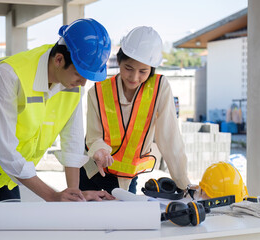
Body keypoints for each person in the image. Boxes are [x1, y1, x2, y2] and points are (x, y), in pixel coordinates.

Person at [0, 18, 114, 204]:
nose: (83, 83)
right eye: (79, 74)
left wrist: (75, 195)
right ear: (59, 59)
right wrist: (53, 196)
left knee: (10, 232)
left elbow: (73, 141)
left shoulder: (72, 85)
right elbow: (7, 153)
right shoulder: (8, 76)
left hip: (6, 179)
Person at [75, 26, 192, 194]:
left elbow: (169, 136)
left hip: (125, 177)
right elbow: (94, 136)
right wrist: (100, 151)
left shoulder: (160, 88)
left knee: (123, 220)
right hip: (92, 170)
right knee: (87, 218)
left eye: (143, 71)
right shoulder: (98, 91)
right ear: (119, 62)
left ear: (152, 69)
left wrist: (183, 182)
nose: (134, 77)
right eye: (128, 68)